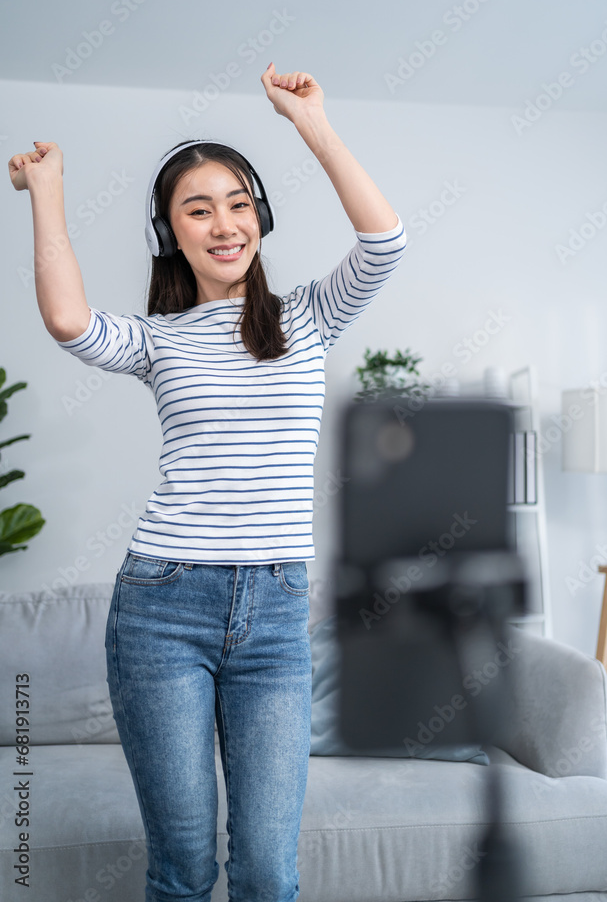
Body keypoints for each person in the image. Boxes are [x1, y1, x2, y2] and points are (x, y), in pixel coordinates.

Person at [8, 62, 407, 902]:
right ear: (170, 235)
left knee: (266, 870)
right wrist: (46, 191)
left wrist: (313, 126)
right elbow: (68, 320)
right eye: (198, 209)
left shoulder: (307, 316)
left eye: (237, 204)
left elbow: (384, 242)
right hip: (162, 607)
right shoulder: (159, 340)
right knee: (182, 871)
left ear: (259, 217)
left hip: (273, 615)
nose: (223, 223)